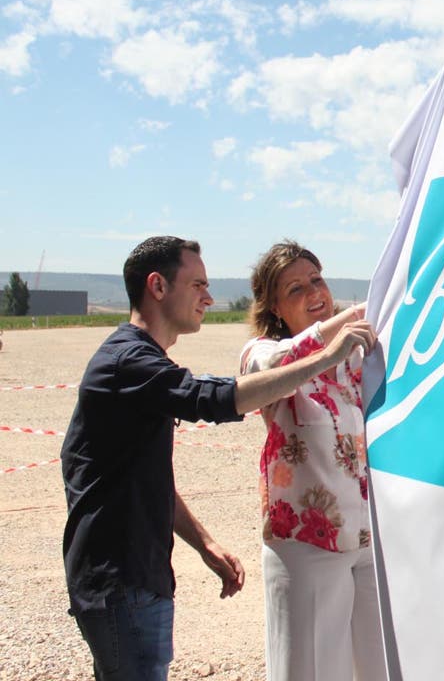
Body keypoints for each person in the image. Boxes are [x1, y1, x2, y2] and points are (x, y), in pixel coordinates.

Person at [61, 236, 376, 681]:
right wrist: (339, 340)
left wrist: (204, 544)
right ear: (158, 286)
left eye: (317, 280)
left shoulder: (141, 361)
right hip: (124, 577)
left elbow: (142, 476)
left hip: (144, 574)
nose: (209, 298)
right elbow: (211, 397)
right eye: (198, 285)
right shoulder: (129, 362)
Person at [240, 240, 387, 681]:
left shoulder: (356, 356)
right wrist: (345, 327)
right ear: (274, 307)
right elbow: (271, 370)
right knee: (312, 671)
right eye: (295, 289)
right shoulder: (262, 353)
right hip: (306, 544)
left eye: (316, 280)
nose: (313, 293)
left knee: (381, 666)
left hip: (368, 538)